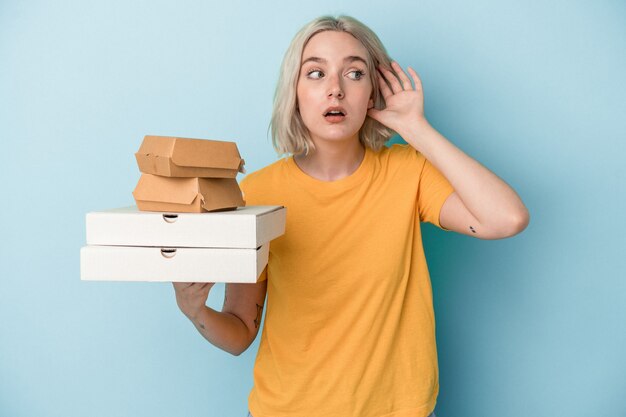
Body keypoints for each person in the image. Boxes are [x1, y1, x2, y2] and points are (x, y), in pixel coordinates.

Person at [173, 15, 529, 417]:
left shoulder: (408, 171)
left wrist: (416, 128)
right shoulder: (257, 193)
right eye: (316, 73)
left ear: (373, 92)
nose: (335, 89)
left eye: (354, 73)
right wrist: (194, 310)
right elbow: (239, 332)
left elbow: (507, 218)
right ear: (295, 91)